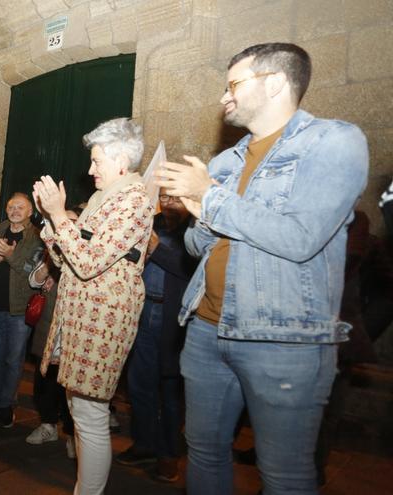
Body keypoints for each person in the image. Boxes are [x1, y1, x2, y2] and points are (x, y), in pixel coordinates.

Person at [155, 42, 369, 494]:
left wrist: (210, 198)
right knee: (204, 451)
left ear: (273, 82)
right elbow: (197, 244)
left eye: (233, 84)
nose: (223, 97)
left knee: (284, 474)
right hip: (205, 329)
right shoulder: (225, 162)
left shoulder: (333, 141)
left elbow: (301, 238)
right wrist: (201, 210)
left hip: (282, 338)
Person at [33, 117, 154, 494]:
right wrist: (51, 223)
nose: (90, 169)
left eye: (96, 161)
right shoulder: (105, 198)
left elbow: (87, 263)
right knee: (80, 412)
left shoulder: (134, 200)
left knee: (90, 415)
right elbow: (69, 255)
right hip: (79, 314)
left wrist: (58, 215)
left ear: (121, 161)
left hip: (102, 319)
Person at [115, 192, 196, 482]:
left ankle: (169, 453)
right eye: (164, 196)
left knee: (171, 390)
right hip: (142, 310)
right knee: (139, 384)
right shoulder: (150, 223)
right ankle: (145, 443)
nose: (169, 202)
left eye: (176, 197)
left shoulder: (197, 229)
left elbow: (190, 270)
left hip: (173, 318)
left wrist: (156, 248)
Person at [0, 193, 43, 428]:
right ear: (6, 209)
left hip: (19, 309)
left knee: (13, 360)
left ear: (30, 211)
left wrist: (10, 255)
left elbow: (32, 271)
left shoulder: (36, 236)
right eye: (11, 206)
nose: (15, 210)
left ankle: (6, 406)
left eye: (20, 207)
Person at [24, 208, 79, 458]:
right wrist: (47, 265)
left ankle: (72, 434)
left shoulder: (85, 252)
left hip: (74, 330)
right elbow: (34, 282)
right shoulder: (51, 248)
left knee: (69, 386)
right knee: (44, 380)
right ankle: (48, 425)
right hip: (48, 326)